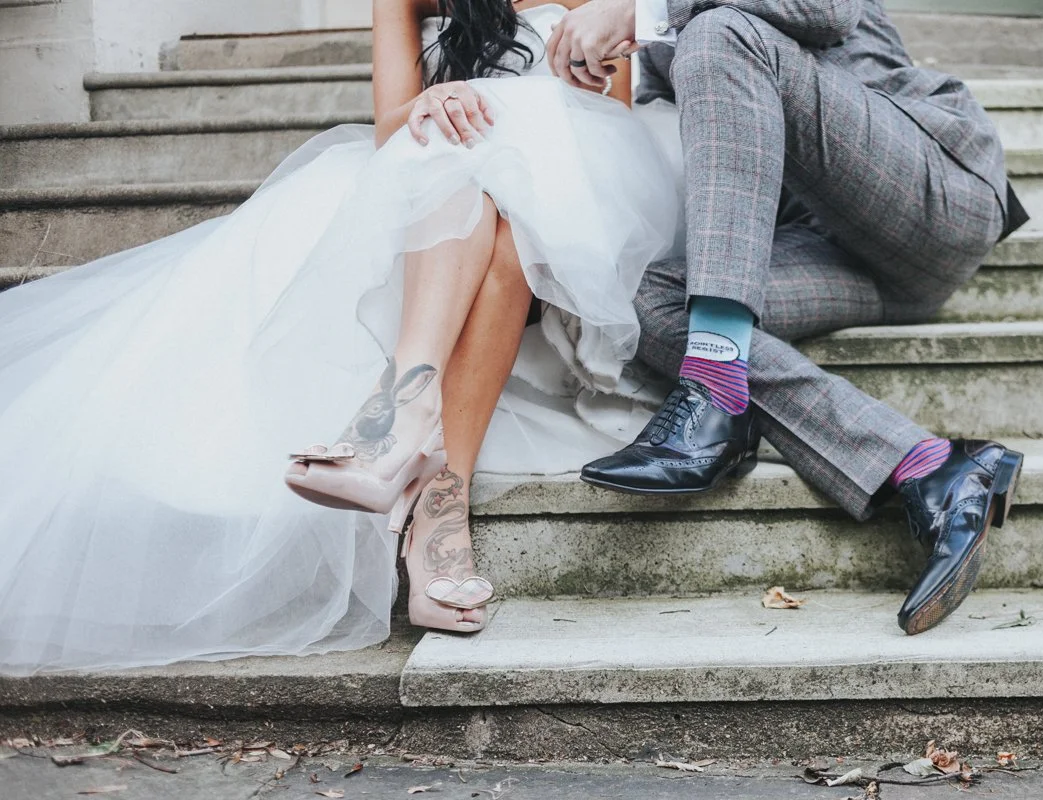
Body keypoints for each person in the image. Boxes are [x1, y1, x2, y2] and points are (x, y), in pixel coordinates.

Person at [0, 0, 680, 675]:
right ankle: (439, 505)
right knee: (456, 166)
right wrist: (435, 103)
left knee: (507, 192)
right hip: (438, 217)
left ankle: (396, 424)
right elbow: (391, 131)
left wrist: (509, 109)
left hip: (559, 231)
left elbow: (604, 128)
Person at [549, 0, 1030, 634]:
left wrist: (644, 11)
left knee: (718, 31)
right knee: (642, 300)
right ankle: (928, 467)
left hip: (930, 192)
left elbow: (825, 11)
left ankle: (714, 392)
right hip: (834, 256)